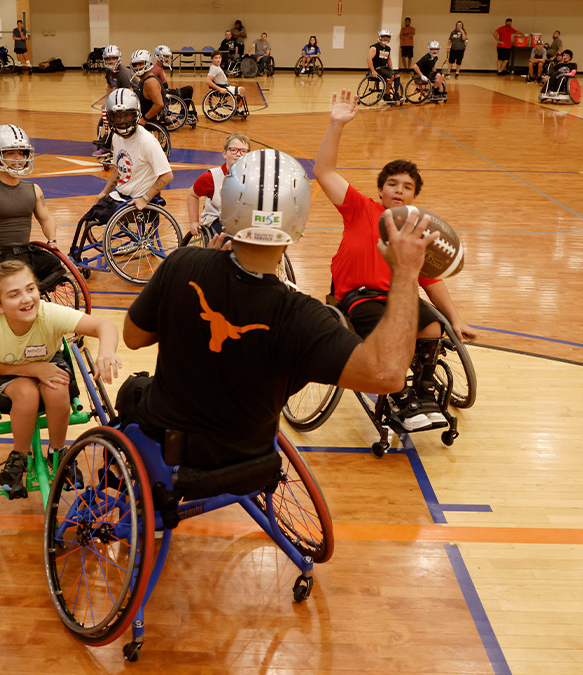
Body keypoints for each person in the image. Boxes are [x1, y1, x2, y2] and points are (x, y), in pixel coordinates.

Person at [122, 146, 436, 470]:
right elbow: (386, 374)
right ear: (297, 219)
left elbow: (133, 337)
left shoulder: (182, 264)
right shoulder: (304, 317)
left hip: (171, 452)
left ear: (228, 205)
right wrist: (406, 273)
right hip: (250, 462)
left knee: (132, 390)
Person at [314, 89, 477, 431]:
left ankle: (423, 389)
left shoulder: (420, 227)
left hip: (399, 297)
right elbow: (324, 171)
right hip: (361, 297)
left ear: (415, 196)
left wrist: (456, 318)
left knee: (432, 325)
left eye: (406, 186)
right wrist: (336, 124)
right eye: (392, 184)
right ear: (381, 191)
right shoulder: (361, 208)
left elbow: (431, 279)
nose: (399, 190)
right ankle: (400, 393)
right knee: (389, 332)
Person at [0, 258, 121, 493]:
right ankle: (19, 456)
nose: (27, 298)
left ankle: (58, 452)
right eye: (14, 294)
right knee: (27, 393)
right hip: (5, 371)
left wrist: (107, 352)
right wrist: (33, 370)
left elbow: (105, 327)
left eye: (30, 289)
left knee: (58, 383)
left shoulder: (48, 313)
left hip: (49, 361)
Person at [0, 125, 60, 268]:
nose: (18, 158)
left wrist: (52, 239)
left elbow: (46, 219)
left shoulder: (34, 189)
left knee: (55, 266)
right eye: (10, 153)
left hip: (25, 254)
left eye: (21, 153)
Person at [88, 88, 173, 222]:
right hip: (121, 195)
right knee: (89, 217)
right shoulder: (116, 137)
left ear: (136, 114)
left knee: (95, 221)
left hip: (138, 200)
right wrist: (105, 192)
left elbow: (167, 175)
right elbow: (118, 169)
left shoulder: (147, 142)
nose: (121, 121)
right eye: (117, 116)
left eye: (126, 115)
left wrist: (145, 199)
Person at [186, 134, 250, 237]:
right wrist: (193, 221)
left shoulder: (253, 177)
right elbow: (192, 195)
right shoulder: (211, 177)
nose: (238, 154)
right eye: (233, 150)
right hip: (217, 219)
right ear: (224, 153)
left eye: (243, 151)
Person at [131, 49, 165, 123]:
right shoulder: (144, 79)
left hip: (149, 121)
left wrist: (145, 119)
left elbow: (159, 104)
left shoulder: (150, 82)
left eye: (140, 64)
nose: (137, 67)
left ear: (148, 63)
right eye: (135, 64)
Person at [367, 29, 397, 101]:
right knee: (391, 75)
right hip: (377, 69)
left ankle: (397, 93)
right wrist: (373, 71)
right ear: (380, 37)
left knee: (397, 74)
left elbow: (389, 59)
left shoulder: (388, 49)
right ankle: (386, 95)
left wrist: (392, 69)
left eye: (387, 37)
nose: (385, 38)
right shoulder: (374, 48)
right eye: (383, 37)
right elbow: (369, 59)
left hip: (384, 69)